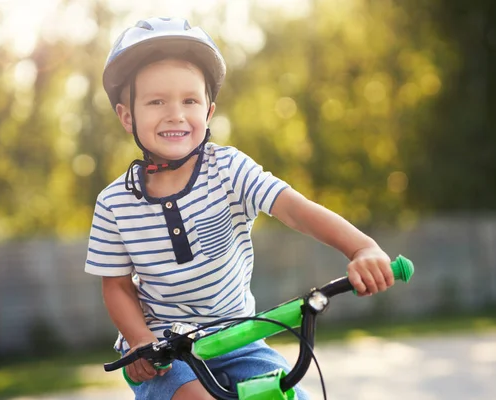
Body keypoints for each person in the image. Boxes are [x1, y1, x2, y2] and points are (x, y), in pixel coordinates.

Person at [85, 17, 395, 400]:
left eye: (189, 100)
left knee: (288, 396)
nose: (175, 114)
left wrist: (361, 248)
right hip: (163, 351)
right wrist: (139, 339)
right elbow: (115, 284)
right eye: (156, 101)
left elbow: (295, 209)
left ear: (209, 112)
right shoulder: (114, 203)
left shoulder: (229, 170)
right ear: (127, 116)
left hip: (238, 339)